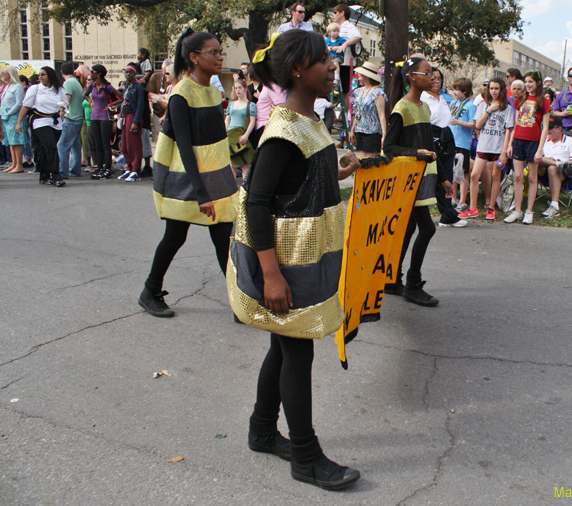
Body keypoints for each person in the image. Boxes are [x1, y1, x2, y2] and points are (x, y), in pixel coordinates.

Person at [243, 28, 361, 491]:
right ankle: (306, 457)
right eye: (323, 61)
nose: (333, 67)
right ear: (296, 70)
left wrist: (339, 172)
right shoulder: (282, 131)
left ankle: (261, 430)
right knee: (297, 349)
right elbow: (257, 202)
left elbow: (302, 181)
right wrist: (271, 275)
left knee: (283, 345)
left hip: (309, 257)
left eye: (332, 60)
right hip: (288, 263)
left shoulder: (311, 121)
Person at [139, 29, 238, 318]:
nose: (220, 58)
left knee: (223, 237)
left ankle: (240, 301)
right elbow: (184, 147)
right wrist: (201, 192)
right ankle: (150, 291)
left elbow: (216, 138)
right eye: (213, 53)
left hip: (216, 176)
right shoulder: (181, 94)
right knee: (175, 236)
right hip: (186, 180)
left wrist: (228, 166)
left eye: (220, 52)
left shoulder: (213, 92)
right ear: (194, 57)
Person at [383, 57, 455, 306]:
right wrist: (416, 153)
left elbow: (428, 148)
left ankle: (392, 280)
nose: (432, 77)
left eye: (433, 73)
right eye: (427, 73)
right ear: (412, 77)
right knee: (427, 228)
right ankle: (412, 285)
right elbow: (389, 147)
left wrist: (444, 179)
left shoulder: (423, 108)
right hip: (408, 180)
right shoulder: (401, 108)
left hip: (424, 178)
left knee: (409, 228)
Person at [457, 77, 515, 221]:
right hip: (483, 146)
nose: (494, 91)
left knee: (495, 176)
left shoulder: (507, 108)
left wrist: (504, 151)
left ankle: (491, 207)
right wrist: (488, 111)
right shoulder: (483, 105)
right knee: (474, 175)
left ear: (501, 90)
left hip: (498, 147)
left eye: (496, 88)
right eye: (491, 88)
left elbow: (508, 130)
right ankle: (472, 208)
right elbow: (477, 125)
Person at [504, 70, 551, 224]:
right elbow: (516, 123)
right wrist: (510, 144)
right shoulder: (521, 99)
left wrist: (540, 149)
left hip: (533, 142)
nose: (528, 84)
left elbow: (545, 127)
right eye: (526, 81)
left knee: (532, 177)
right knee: (518, 176)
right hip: (518, 140)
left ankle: (529, 211)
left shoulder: (543, 101)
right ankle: (517, 211)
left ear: (538, 83)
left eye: (531, 81)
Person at [423, 66, 465, 228]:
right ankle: (447, 214)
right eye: (432, 78)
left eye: (439, 78)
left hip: (446, 139)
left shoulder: (442, 98)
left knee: (447, 176)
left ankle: (447, 214)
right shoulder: (423, 97)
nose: (436, 81)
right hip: (431, 139)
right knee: (438, 178)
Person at [16, 66, 67, 186]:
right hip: (40, 121)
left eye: (43, 74)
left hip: (55, 121)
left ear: (50, 75)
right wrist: (18, 123)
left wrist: (62, 113)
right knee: (51, 147)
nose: (40, 77)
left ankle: (44, 176)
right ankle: (56, 176)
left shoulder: (59, 89)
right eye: (39, 75)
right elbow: (25, 106)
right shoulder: (35, 89)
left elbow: (64, 105)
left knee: (44, 149)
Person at [536, 116, 572, 218]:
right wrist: (551, 161)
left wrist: (562, 163)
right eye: (546, 127)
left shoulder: (570, 141)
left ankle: (554, 205)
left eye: (551, 127)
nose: (548, 130)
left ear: (560, 129)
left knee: (552, 168)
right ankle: (555, 163)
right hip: (542, 169)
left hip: (561, 172)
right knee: (536, 159)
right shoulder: (543, 140)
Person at [84, 64, 122, 179]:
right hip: (94, 117)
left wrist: (111, 104)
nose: (91, 73)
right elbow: (84, 94)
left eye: (93, 72)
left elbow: (121, 97)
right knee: (97, 143)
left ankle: (107, 168)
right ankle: (99, 167)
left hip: (105, 117)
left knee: (105, 143)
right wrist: (90, 101)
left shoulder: (107, 87)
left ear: (99, 73)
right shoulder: (92, 86)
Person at [449, 77, 477, 213]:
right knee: (452, 171)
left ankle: (463, 201)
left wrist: (459, 122)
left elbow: (474, 124)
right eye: (453, 89)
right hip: (451, 141)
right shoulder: (452, 103)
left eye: (457, 90)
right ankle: (453, 199)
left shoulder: (471, 106)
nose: (454, 92)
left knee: (464, 172)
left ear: (465, 91)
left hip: (463, 143)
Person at [117, 62, 147, 182]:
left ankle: (135, 170)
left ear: (134, 74)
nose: (128, 74)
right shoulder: (126, 86)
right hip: (124, 116)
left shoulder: (138, 87)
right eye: (126, 72)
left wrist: (136, 121)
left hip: (132, 116)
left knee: (133, 144)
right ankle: (129, 167)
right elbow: (124, 101)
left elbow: (140, 105)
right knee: (125, 144)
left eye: (130, 72)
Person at [350, 61, 386, 157]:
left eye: (362, 73)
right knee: (362, 159)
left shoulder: (377, 92)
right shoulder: (358, 91)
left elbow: (381, 114)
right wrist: (352, 130)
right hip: (359, 129)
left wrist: (384, 133)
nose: (359, 74)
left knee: (371, 159)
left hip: (372, 131)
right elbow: (357, 111)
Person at [330, 4, 362, 110]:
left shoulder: (348, 26)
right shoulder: (335, 27)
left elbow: (358, 36)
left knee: (345, 92)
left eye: (335, 12)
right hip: (333, 61)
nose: (333, 15)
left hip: (345, 64)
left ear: (342, 13)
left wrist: (345, 44)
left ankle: (347, 116)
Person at [56, 62, 85, 179]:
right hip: (78, 117)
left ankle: (63, 172)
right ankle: (75, 170)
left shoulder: (68, 83)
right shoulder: (77, 82)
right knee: (75, 146)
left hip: (71, 117)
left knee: (62, 146)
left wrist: (60, 113)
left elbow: (66, 102)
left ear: (61, 72)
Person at [225, 79, 257, 178]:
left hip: (241, 135)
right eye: (236, 88)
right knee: (231, 165)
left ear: (245, 89)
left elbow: (252, 121)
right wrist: (225, 132)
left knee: (245, 165)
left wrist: (246, 135)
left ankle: (244, 186)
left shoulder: (251, 105)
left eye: (239, 88)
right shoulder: (231, 104)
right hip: (230, 135)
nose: (237, 90)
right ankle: (231, 187)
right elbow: (227, 119)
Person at [0, 65, 27, 173]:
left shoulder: (18, 86)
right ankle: (14, 163)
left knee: (16, 140)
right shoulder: (8, 86)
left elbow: (19, 103)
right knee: (10, 141)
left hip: (13, 115)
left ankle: (19, 165)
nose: (2, 75)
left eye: (3, 73)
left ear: (9, 74)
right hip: (6, 115)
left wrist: (9, 113)